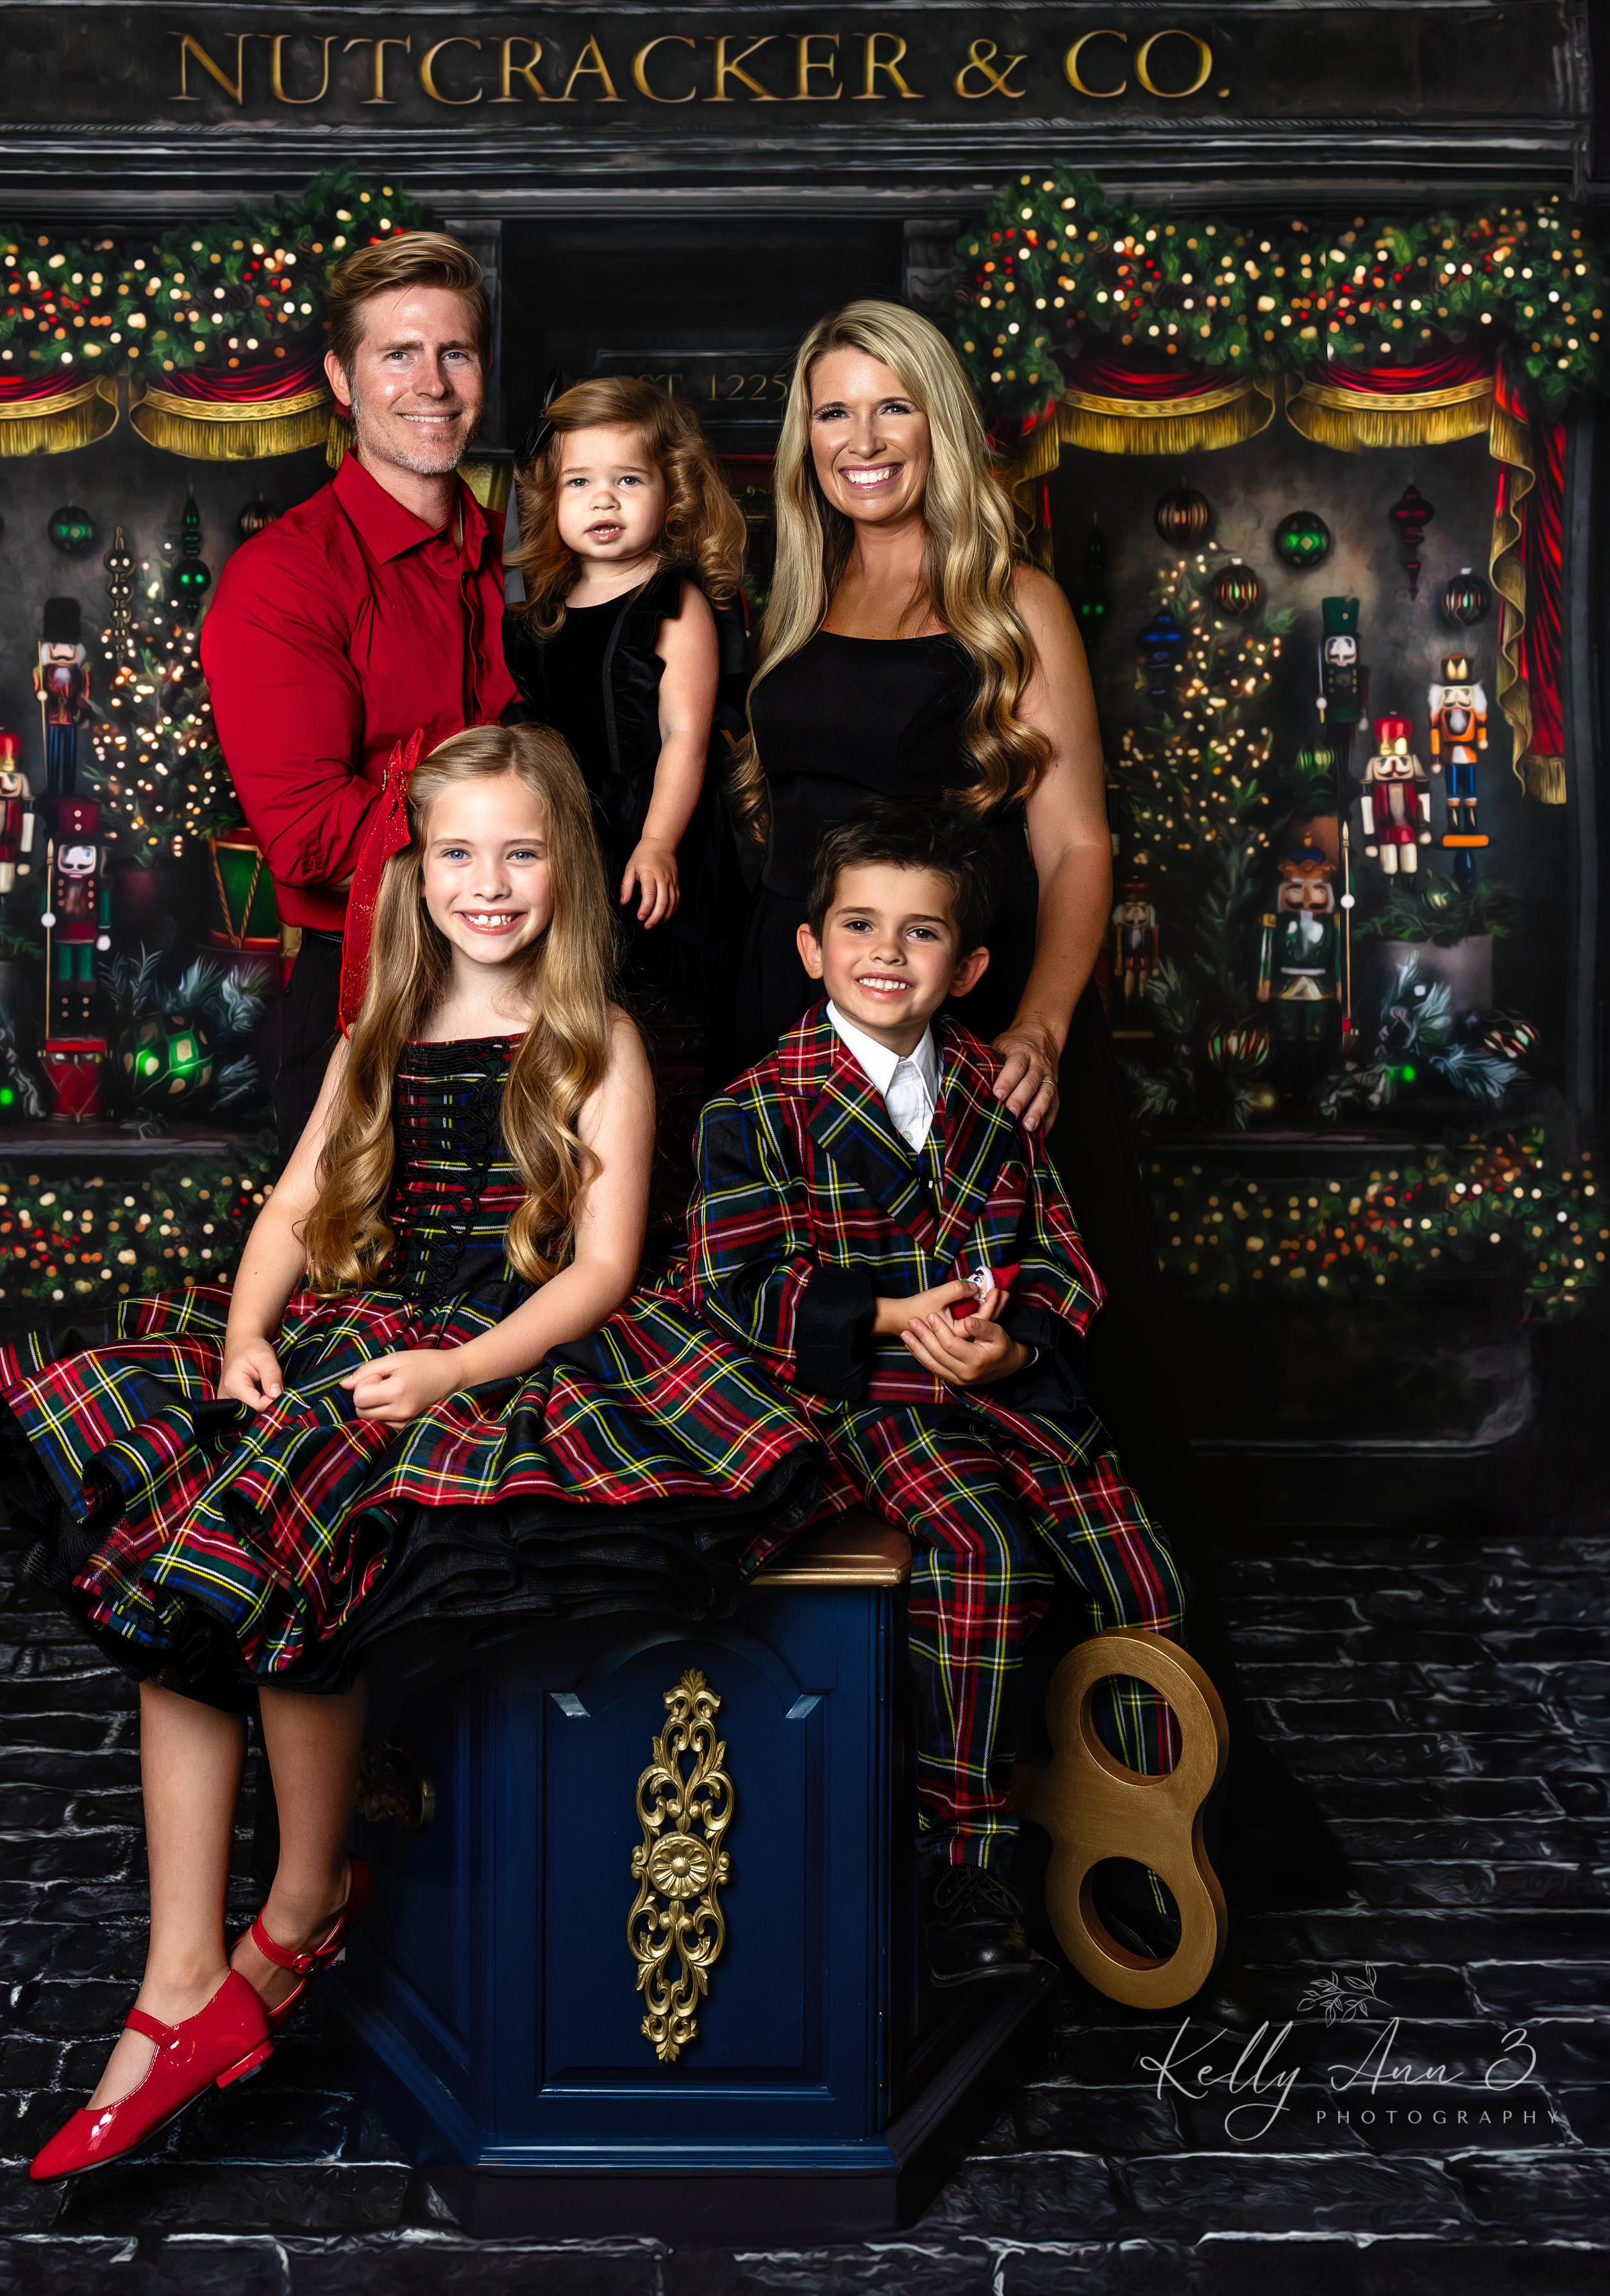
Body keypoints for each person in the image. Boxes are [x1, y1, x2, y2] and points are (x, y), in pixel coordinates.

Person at [0, 728, 825, 2181]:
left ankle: (295, 1912)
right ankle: (180, 1975)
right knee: (196, 1544)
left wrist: (457, 1369)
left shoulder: (594, 1039)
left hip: (502, 1353)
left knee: (293, 1511)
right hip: (363, 1340)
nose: (487, 884)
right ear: (414, 879)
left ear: (569, 871)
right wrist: (246, 1330)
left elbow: (599, 1269)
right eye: (456, 855)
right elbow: (294, 1212)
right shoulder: (376, 1034)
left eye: (520, 852)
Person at [728, 298, 1348, 1918]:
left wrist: (1045, 1024)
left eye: (892, 412)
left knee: (1050, 1419)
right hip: (806, 1042)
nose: (862, 444)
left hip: (981, 1051)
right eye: (832, 413)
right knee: (829, 1377)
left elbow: (1074, 846)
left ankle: (1120, 1789)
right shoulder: (786, 599)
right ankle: (857, 1783)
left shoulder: (1009, 599)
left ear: (942, 423)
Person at [683, 801, 1186, 1988]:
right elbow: (736, 1285)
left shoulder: (994, 1091)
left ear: (966, 967)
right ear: (810, 947)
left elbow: (1063, 1256)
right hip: (873, 1403)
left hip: (1010, 1388)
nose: (883, 953)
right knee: (986, 1553)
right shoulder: (755, 1108)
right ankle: (965, 1859)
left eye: (918, 935)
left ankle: (1135, 1831)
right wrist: (891, 1318)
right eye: (858, 924)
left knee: (1145, 1574)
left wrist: (1016, 1345)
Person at [203, 231, 521, 1158]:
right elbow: (305, 839)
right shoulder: (284, 580)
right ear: (342, 380)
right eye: (399, 354)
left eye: (454, 353)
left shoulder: (531, 553)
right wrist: (526, 851)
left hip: (558, 1000)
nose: (432, 384)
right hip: (373, 1000)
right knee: (366, 1301)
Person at [504, 375, 748, 1051]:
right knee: (573, 1008)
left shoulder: (673, 601)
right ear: (551, 499)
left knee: (656, 1013)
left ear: (670, 491)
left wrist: (659, 841)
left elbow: (684, 735)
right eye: (578, 483)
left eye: (628, 480)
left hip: (653, 832)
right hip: (571, 833)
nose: (602, 498)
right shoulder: (546, 605)